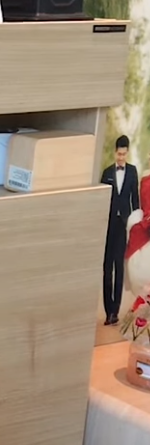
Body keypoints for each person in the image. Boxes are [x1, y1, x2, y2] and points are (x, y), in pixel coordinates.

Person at [101, 135, 140, 325]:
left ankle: (115, 312)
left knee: (119, 267)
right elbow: (101, 200)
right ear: (115, 152)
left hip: (123, 226)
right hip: (108, 227)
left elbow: (135, 200)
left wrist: (134, 225)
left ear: (127, 153)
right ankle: (108, 310)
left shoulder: (132, 172)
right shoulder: (107, 172)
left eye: (124, 154)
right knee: (107, 268)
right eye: (119, 154)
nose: (121, 157)